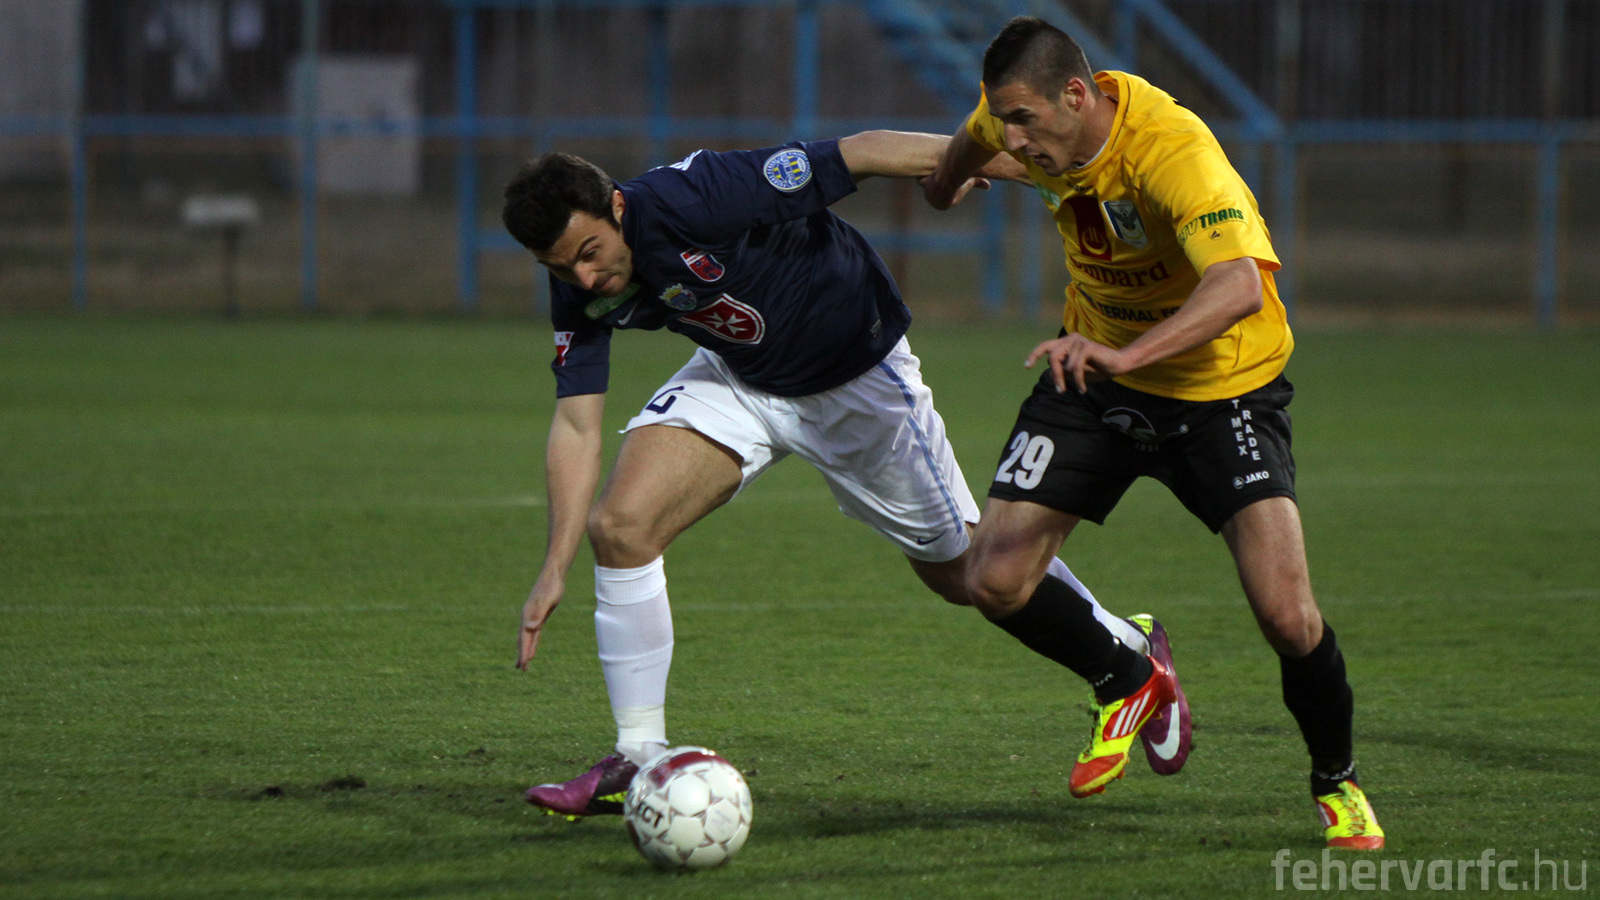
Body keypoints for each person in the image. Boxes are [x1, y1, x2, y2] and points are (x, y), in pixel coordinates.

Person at [500, 131, 1190, 819]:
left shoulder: (696, 195)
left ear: (618, 207)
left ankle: (1128, 650)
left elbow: (855, 154)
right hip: (741, 378)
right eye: (560, 268)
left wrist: (1008, 167)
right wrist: (554, 568)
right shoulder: (577, 285)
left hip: (857, 382)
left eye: (589, 253)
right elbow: (576, 424)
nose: (583, 279)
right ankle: (639, 754)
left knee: (966, 574)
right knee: (620, 528)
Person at [915, 17, 1383, 850]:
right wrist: (948, 181)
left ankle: (1336, 781)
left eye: (1024, 121)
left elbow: (1238, 284)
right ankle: (1128, 674)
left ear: (1076, 94)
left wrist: (1127, 353)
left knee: (1287, 617)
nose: (1013, 138)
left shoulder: (1172, 149)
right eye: (1004, 121)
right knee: (993, 579)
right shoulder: (1012, 116)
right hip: (1093, 377)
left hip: (1220, 391)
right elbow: (966, 148)